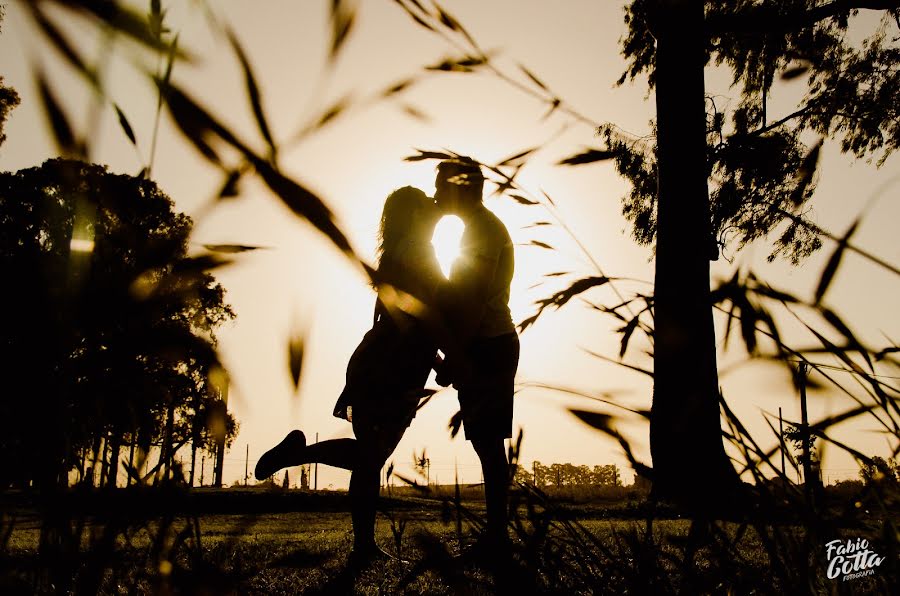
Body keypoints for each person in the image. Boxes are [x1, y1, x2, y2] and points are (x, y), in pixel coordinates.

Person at [254, 186, 444, 566]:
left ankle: (363, 545)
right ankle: (302, 460)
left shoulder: (403, 250)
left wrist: (435, 359)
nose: (433, 207)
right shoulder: (418, 252)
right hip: (391, 366)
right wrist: (441, 362)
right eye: (426, 205)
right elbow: (415, 318)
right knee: (372, 455)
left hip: (385, 362)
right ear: (415, 215)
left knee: (372, 456)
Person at [433, 159, 519, 554]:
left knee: (488, 444)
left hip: (488, 345)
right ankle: (496, 536)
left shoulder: (483, 231)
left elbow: (476, 300)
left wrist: (457, 357)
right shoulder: (475, 230)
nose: (435, 194)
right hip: (481, 345)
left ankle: (497, 537)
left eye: (440, 186)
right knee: (485, 444)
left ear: (461, 188)